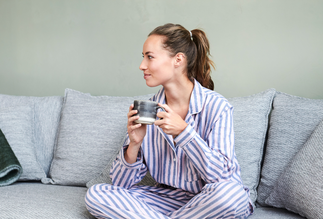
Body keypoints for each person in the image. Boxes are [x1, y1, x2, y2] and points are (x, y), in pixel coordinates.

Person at [85, 23, 253, 219]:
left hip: (209, 200)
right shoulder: (148, 109)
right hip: (164, 200)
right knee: (96, 194)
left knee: (232, 196)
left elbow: (222, 177)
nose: (142, 65)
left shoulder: (217, 106)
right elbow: (121, 185)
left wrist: (184, 133)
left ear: (178, 60)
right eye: (143, 57)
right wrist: (134, 144)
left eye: (150, 57)